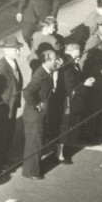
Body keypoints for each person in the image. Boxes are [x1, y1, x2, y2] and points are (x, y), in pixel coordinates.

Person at [22, 46, 61, 179]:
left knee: (33, 143)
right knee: (35, 144)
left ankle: (28, 170)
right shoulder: (40, 74)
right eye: (55, 59)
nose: (57, 61)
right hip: (34, 115)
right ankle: (33, 172)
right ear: (47, 60)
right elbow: (27, 92)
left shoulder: (47, 71)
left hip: (36, 115)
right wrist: (37, 104)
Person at [0, 37, 25, 173]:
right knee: (1, 136)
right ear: (6, 50)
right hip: (4, 109)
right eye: (16, 50)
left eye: (18, 49)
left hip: (12, 106)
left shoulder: (13, 63)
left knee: (9, 134)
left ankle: (4, 158)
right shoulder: (1, 67)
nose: (19, 52)